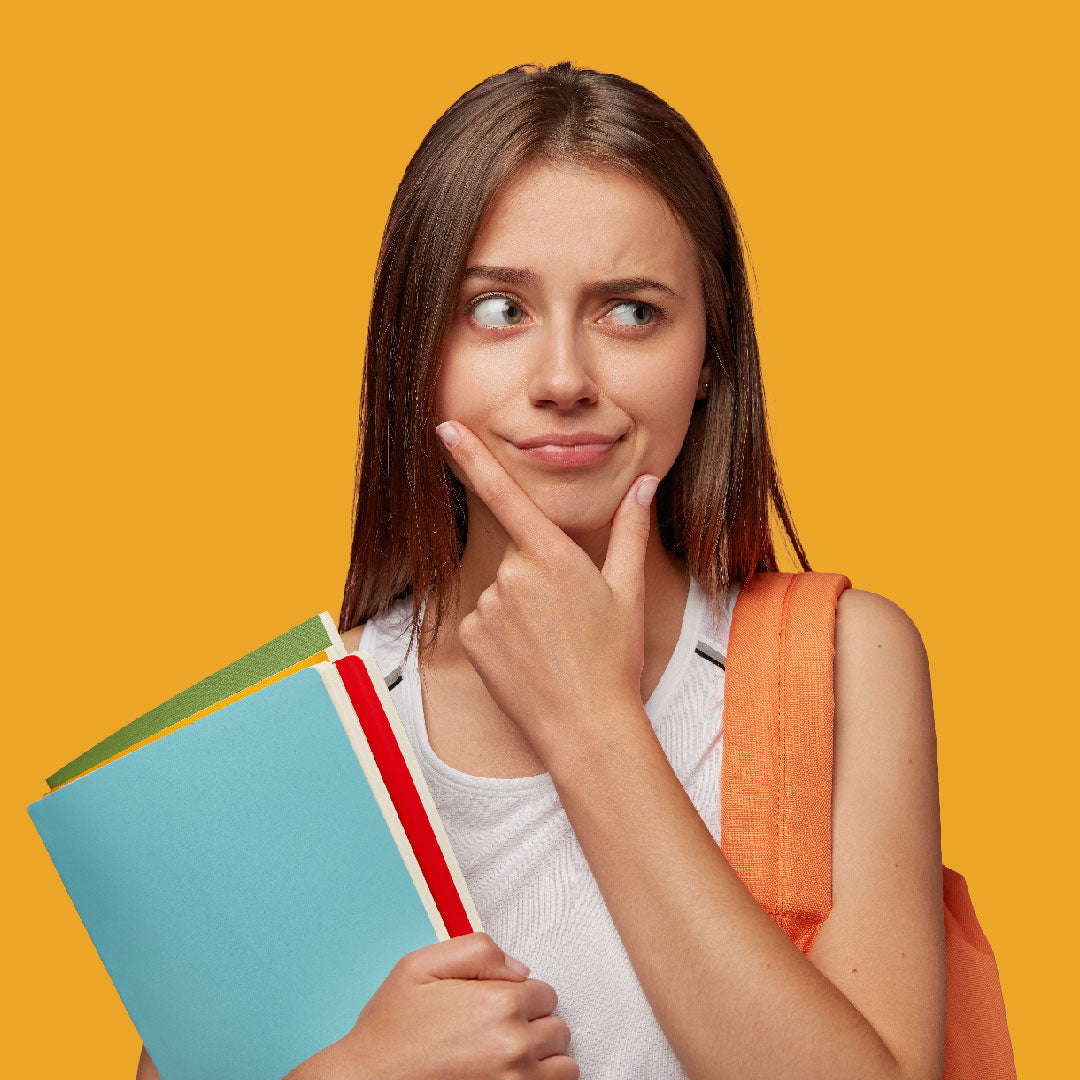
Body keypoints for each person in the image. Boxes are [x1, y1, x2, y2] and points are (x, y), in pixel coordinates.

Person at [138, 60, 946, 1080]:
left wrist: (591, 721)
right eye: (496, 311)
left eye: (632, 312)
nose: (563, 380)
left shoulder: (840, 664)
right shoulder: (294, 742)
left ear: (711, 362)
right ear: (415, 352)